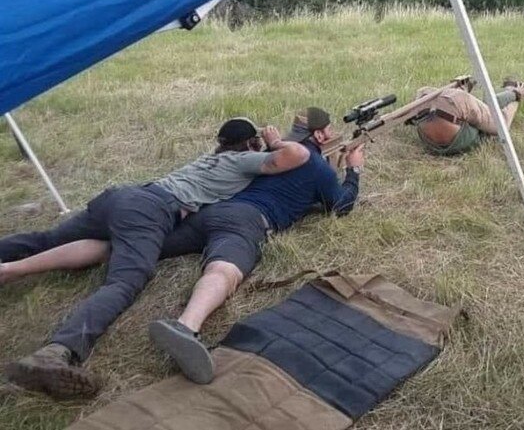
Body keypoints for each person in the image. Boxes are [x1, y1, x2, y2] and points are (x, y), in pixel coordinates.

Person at [1, 117, 309, 398]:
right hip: (148, 211)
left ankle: (7, 267)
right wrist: (275, 142)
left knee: (48, 239)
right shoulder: (243, 161)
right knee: (125, 282)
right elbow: (298, 155)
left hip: (120, 197)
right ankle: (57, 351)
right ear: (251, 144)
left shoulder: (209, 158)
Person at [147, 106, 365, 385]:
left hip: (210, 212)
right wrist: (353, 170)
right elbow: (340, 206)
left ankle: (102, 249)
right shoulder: (317, 167)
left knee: (150, 245)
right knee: (223, 270)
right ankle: (186, 327)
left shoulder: (267, 153)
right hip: (246, 221)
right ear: (320, 136)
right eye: (330, 130)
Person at [409, 78, 524, 156]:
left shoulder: (425, 94)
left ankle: (511, 91)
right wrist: (516, 96)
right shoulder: (477, 134)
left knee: (485, 107)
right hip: (455, 128)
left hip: (428, 132)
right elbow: (498, 124)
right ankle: (516, 94)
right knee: (499, 122)